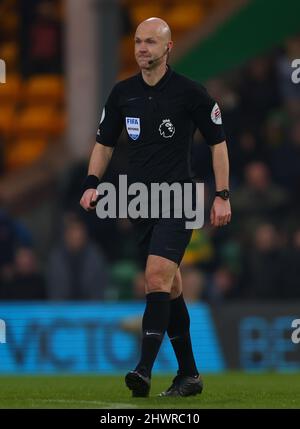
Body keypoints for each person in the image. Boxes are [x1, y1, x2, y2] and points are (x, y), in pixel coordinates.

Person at [80, 18, 231, 398]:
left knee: (156, 277)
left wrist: (222, 195)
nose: (142, 48)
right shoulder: (122, 94)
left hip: (179, 198)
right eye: (138, 41)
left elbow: (218, 142)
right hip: (140, 202)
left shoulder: (190, 93)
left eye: (151, 42)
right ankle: (190, 375)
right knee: (172, 284)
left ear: (168, 48)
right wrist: (91, 183)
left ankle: (143, 370)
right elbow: (104, 143)